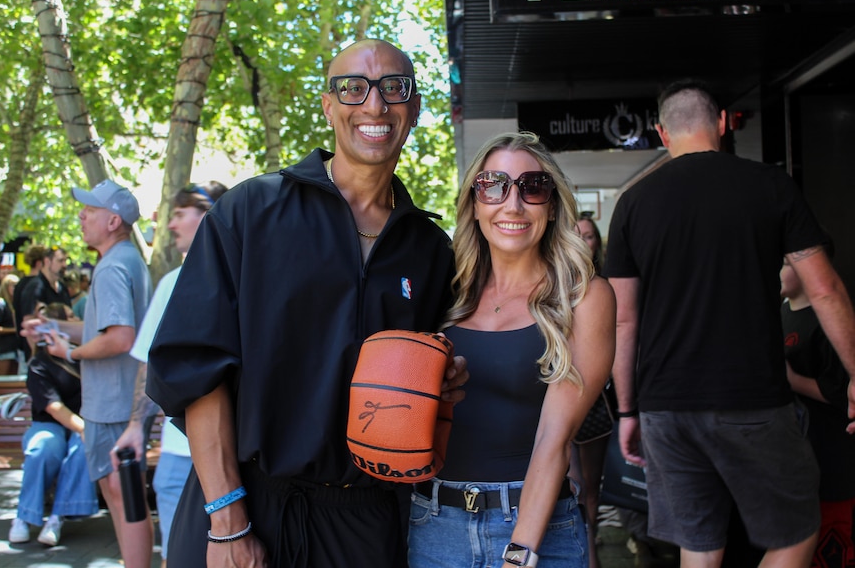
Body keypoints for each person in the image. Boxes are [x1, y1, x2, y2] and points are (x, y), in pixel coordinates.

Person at [146, 39, 467, 568]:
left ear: (413, 107)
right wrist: (228, 521)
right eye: (352, 87)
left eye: (394, 87)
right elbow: (195, 368)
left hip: (366, 524)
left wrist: (445, 380)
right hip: (246, 503)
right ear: (328, 106)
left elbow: (434, 385)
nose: (374, 105)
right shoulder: (251, 210)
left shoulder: (430, 250)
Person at [604, 78, 855, 568]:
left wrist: (629, 411)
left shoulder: (633, 203)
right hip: (753, 399)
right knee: (797, 533)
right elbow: (824, 289)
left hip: (665, 408)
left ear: (660, 132)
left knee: (698, 549)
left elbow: (622, 320)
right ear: (721, 122)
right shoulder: (771, 185)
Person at [407, 132, 615, 568]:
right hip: (433, 524)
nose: (513, 205)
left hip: (538, 532)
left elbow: (553, 442)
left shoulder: (583, 297)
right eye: (494, 186)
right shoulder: (443, 290)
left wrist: (519, 555)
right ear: (475, 203)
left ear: (553, 204)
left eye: (532, 187)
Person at [28, 179, 154, 567]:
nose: (82, 215)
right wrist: (54, 328)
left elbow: (120, 337)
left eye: (91, 210)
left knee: (121, 495)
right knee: (122, 495)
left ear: (113, 220)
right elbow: (106, 326)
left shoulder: (113, 266)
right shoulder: (125, 259)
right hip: (116, 403)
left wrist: (71, 351)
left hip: (114, 405)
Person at [113, 181, 228, 567]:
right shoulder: (170, 282)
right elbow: (152, 363)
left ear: (207, 216)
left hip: (225, 457)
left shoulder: (246, 279)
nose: (171, 224)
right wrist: (135, 428)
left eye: (179, 214)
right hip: (182, 453)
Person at [781, 246, 855, 568]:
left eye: (782, 263)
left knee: (832, 548)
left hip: (833, 458)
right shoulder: (780, 311)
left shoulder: (832, 319)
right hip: (794, 457)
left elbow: (844, 395)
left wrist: (791, 379)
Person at [8, 302, 98, 546]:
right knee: (42, 448)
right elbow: (53, 407)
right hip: (49, 424)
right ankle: (24, 516)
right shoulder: (39, 364)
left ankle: (57, 517)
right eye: (68, 317)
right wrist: (83, 428)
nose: (74, 320)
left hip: (81, 425)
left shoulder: (83, 356)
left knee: (82, 450)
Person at [572, 214, 611, 568]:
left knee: (590, 486)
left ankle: (591, 552)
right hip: (554, 394)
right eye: (577, 235)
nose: (583, 241)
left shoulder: (603, 286)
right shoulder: (553, 281)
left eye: (589, 235)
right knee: (570, 484)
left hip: (596, 402)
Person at [0, 274, 21, 375]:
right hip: (4, 350)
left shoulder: (13, 305)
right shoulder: (0, 304)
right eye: (13, 285)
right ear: (6, 287)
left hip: (15, 350)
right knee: (2, 381)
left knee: (12, 381)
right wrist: (14, 330)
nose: (16, 288)